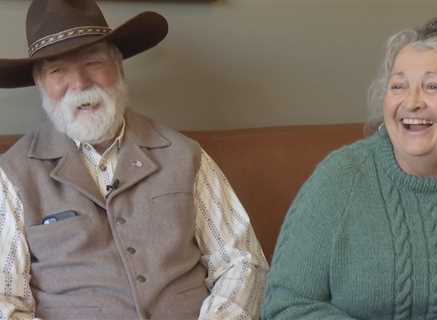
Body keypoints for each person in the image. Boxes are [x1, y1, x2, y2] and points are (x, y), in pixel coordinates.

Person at [0, 0, 268, 319]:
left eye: (93, 62)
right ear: (41, 84)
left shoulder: (184, 154)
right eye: (58, 70)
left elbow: (242, 262)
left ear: (119, 68)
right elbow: (6, 298)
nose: (81, 83)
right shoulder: (14, 174)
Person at [263, 17, 437, 320]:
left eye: (432, 86)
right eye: (398, 85)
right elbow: (284, 304)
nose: (412, 102)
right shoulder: (341, 177)